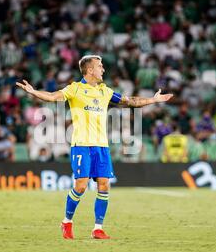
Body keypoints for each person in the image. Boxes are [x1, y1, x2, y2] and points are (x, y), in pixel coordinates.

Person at [16, 55, 173, 240]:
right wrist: (33, 91)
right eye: (100, 66)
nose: (103, 69)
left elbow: (130, 101)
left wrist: (153, 100)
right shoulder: (75, 89)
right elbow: (52, 97)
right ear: (90, 70)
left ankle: (97, 228)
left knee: (104, 185)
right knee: (81, 186)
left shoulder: (105, 91)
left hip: (102, 146)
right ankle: (67, 222)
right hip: (81, 145)